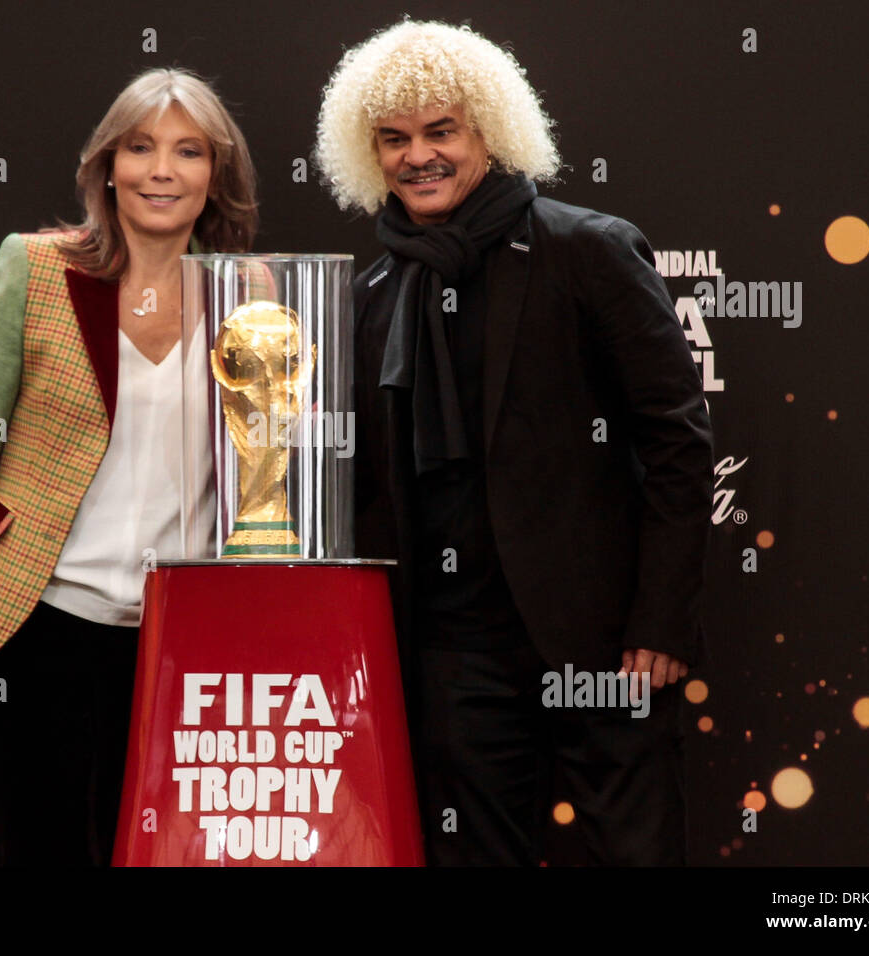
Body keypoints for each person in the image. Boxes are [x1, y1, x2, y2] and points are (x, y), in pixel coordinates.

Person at [314, 20, 715, 865]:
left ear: (489, 131)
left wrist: (660, 622)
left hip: (606, 644)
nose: (417, 155)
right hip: (455, 660)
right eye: (393, 138)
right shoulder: (377, 289)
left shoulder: (589, 250)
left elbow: (677, 444)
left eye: (440, 130)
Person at [0, 67, 258, 866]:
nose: (161, 170)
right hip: (37, 623)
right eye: (140, 147)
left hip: (185, 640)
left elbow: (262, 470)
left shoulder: (251, 290)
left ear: (217, 174)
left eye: (188, 151)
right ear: (108, 165)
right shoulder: (36, 268)